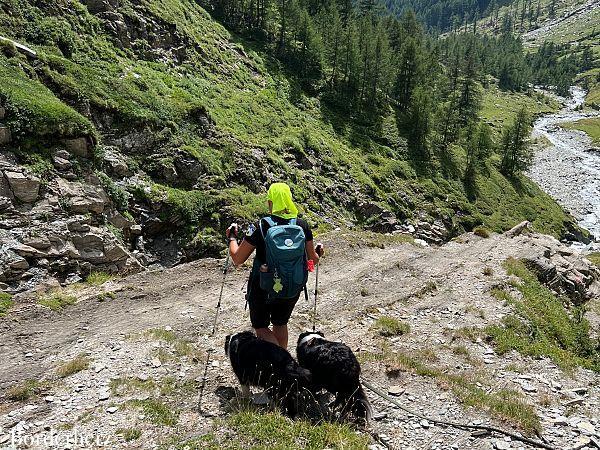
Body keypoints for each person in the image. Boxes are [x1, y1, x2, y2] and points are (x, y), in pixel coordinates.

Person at [226, 182, 323, 349]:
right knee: (280, 323)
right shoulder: (301, 225)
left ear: (271, 202)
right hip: (292, 284)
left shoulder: (261, 226)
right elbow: (312, 260)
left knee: (261, 327)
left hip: (263, 284)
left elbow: (238, 259)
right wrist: (318, 253)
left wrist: (232, 239)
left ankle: (281, 364)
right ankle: (284, 367)